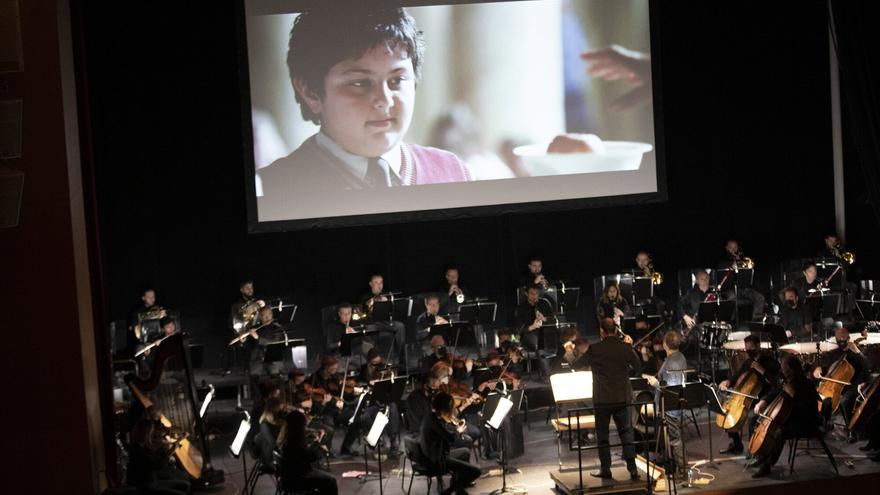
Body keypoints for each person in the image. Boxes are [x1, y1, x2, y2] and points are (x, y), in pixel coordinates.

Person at [257, 7, 472, 219]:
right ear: (310, 92)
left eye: (396, 80)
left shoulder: (452, 171)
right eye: (360, 83)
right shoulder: (272, 188)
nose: (384, 100)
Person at [582, 318, 641, 481]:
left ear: (601, 331)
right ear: (615, 331)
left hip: (602, 400)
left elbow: (578, 363)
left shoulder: (595, 349)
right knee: (626, 433)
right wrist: (630, 348)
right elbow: (638, 367)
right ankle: (633, 468)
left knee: (603, 435)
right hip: (622, 398)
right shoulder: (625, 348)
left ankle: (606, 469)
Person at [751, 355, 823, 478]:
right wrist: (763, 401)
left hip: (806, 422)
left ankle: (767, 465)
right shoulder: (788, 381)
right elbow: (775, 391)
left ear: (791, 369)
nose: (781, 370)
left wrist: (794, 395)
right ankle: (761, 456)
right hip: (793, 417)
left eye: (783, 367)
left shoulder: (806, 384)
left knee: (779, 432)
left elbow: (806, 409)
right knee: (754, 419)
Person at [716, 335, 781, 455]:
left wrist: (762, 370)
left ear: (758, 346)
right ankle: (737, 444)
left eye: (750, 347)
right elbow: (737, 376)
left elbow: (775, 383)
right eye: (746, 348)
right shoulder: (748, 361)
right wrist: (728, 382)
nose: (748, 351)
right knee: (727, 411)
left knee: (752, 418)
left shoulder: (770, 362)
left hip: (763, 398)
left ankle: (753, 450)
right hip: (746, 398)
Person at [643, 330, 687, 477]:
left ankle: (682, 471)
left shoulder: (672, 363)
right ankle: (666, 459)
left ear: (664, 344)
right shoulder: (679, 356)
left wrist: (655, 383)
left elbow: (670, 389)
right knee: (671, 437)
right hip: (669, 406)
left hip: (670, 408)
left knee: (675, 439)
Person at [420, 392, 482, 495]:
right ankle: (450, 491)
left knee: (465, 452)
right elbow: (451, 439)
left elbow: (443, 434)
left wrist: (455, 428)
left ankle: (458, 486)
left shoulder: (431, 416)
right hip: (437, 460)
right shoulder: (434, 420)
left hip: (434, 454)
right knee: (476, 472)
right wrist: (458, 431)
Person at [812, 327, 870, 429]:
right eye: (839, 340)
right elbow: (828, 369)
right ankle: (823, 422)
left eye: (843, 340)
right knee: (818, 395)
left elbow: (866, 368)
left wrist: (858, 353)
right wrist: (819, 369)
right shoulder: (836, 353)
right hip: (837, 385)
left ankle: (851, 428)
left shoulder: (856, 351)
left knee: (844, 401)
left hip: (855, 384)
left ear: (848, 338)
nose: (841, 343)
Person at [126, 407, 191, 495]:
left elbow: (156, 457)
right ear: (143, 434)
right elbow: (158, 465)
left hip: (153, 480)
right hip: (147, 487)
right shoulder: (138, 449)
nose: (150, 436)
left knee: (185, 484)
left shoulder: (141, 445)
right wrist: (172, 448)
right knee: (183, 482)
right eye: (149, 433)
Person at [278, 410, 338, 494]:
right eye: (304, 425)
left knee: (324, 479)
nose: (305, 427)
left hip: (288, 477)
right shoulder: (294, 442)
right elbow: (311, 458)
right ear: (298, 426)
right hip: (297, 479)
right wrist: (318, 441)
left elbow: (303, 455)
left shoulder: (287, 437)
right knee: (331, 481)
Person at [359, 274, 407, 365]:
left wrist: (388, 302)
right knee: (369, 331)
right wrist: (375, 301)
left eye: (381, 282)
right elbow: (362, 312)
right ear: (370, 284)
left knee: (400, 325)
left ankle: (402, 354)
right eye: (376, 282)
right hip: (372, 324)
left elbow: (394, 311)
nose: (379, 285)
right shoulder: (365, 297)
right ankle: (373, 357)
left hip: (386, 322)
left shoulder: (387, 294)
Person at [717, 239, 765, 319]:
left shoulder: (741, 259)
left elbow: (747, 276)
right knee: (731, 300)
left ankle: (756, 322)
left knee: (760, 298)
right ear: (726, 248)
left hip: (743, 289)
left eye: (735, 247)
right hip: (729, 290)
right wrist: (731, 267)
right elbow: (722, 280)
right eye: (731, 248)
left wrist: (745, 266)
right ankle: (731, 324)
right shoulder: (722, 262)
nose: (734, 250)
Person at [514, 284, 555, 353]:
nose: (534, 296)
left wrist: (544, 318)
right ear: (526, 294)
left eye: (536, 294)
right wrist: (533, 326)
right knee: (538, 348)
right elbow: (519, 329)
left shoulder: (544, 303)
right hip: (529, 334)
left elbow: (553, 320)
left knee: (560, 349)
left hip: (546, 333)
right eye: (532, 294)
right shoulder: (520, 308)